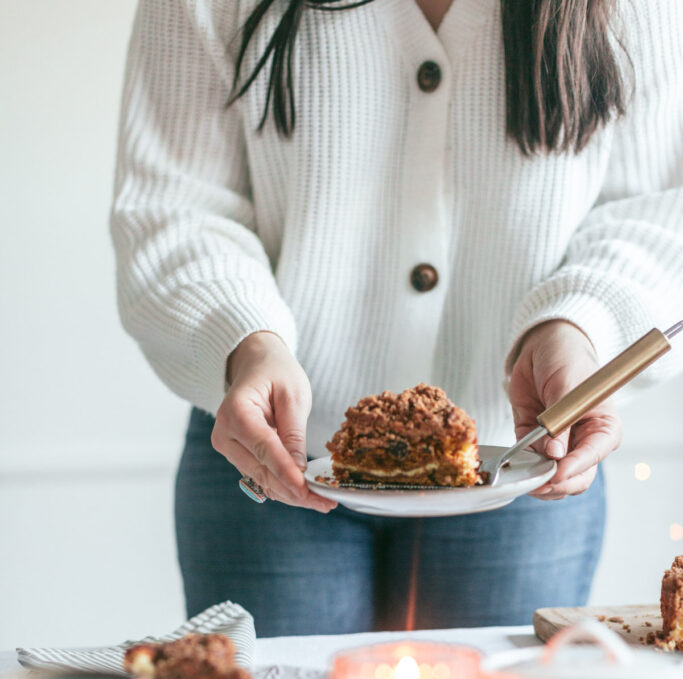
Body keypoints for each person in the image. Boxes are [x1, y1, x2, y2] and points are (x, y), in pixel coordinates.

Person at [111, 0, 683, 636]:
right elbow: (176, 206)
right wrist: (246, 340)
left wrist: (578, 325)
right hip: (268, 455)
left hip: (526, 463)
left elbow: (657, 206)